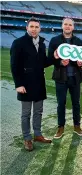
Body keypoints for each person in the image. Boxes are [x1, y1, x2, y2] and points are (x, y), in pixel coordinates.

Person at [10, 18, 53, 151]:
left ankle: (38, 134)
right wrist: (18, 84)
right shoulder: (18, 43)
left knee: (38, 111)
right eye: (32, 26)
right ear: (27, 28)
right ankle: (27, 138)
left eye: (36, 27)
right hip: (25, 84)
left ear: (40, 29)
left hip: (39, 82)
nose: (34, 29)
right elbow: (14, 65)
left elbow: (43, 62)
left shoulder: (42, 42)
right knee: (26, 113)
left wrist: (54, 57)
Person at [48, 18, 82, 139]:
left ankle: (77, 125)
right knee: (61, 103)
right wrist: (59, 62)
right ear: (62, 26)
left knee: (76, 103)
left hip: (75, 77)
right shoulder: (55, 40)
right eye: (66, 24)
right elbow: (50, 58)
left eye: (70, 25)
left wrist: (81, 63)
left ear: (73, 27)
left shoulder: (78, 41)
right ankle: (61, 127)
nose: (68, 26)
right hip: (60, 77)